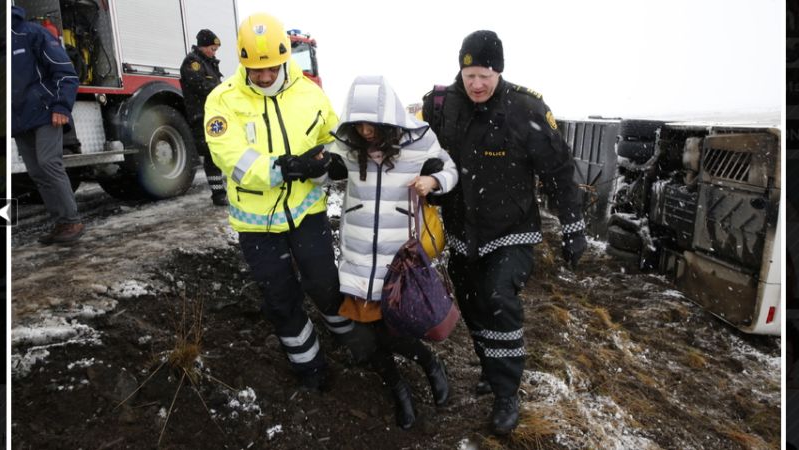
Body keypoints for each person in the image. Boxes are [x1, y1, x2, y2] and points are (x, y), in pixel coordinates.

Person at [421, 30, 588, 435]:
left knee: (498, 299)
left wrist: (573, 227)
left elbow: (559, 171)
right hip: (463, 231)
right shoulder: (444, 106)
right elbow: (418, 148)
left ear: (499, 71)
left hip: (511, 230)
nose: (477, 84)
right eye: (470, 74)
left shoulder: (524, 108)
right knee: (473, 304)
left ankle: (506, 394)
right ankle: (489, 368)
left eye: (485, 75)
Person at [204, 13, 366, 391]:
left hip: (306, 213)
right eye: (255, 70)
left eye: (271, 69)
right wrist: (281, 168)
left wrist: (335, 162)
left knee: (326, 286)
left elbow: (335, 138)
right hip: (257, 223)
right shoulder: (222, 100)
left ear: (284, 57)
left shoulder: (310, 93)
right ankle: (310, 368)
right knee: (281, 300)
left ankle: (353, 341)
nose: (263, 77)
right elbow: (229, 156)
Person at [326, 75, 459, 429]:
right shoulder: (347, 143)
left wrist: (433, 182)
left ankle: (430, 364)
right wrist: (315, 166)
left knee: (393, 329)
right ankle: (398, 389)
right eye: (359, 124)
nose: (366, 131)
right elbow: (324, 171)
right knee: (366, 336)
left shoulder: (420, 140)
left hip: (397, 259)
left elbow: (451, 171)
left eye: (373, 124)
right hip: (358, 256)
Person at [11, 5, 84, 245]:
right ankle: (60, 222)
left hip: (45, 113)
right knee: (36, 173)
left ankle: (72, 220)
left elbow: (65, 72)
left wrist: (61, 106)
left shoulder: (32, 33)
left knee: (49, 163)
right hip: (19, 120)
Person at [180, 28, 227, 206]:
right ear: (203, 46)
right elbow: (200, 86)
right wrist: (222, 89)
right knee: (210, 153)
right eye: (212, 49)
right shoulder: (193, 62)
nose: (214, 52)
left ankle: (222, 191)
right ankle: (218, 194)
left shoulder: (209, 62)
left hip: (213, 114)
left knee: (218, 151)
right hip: (201, 116)